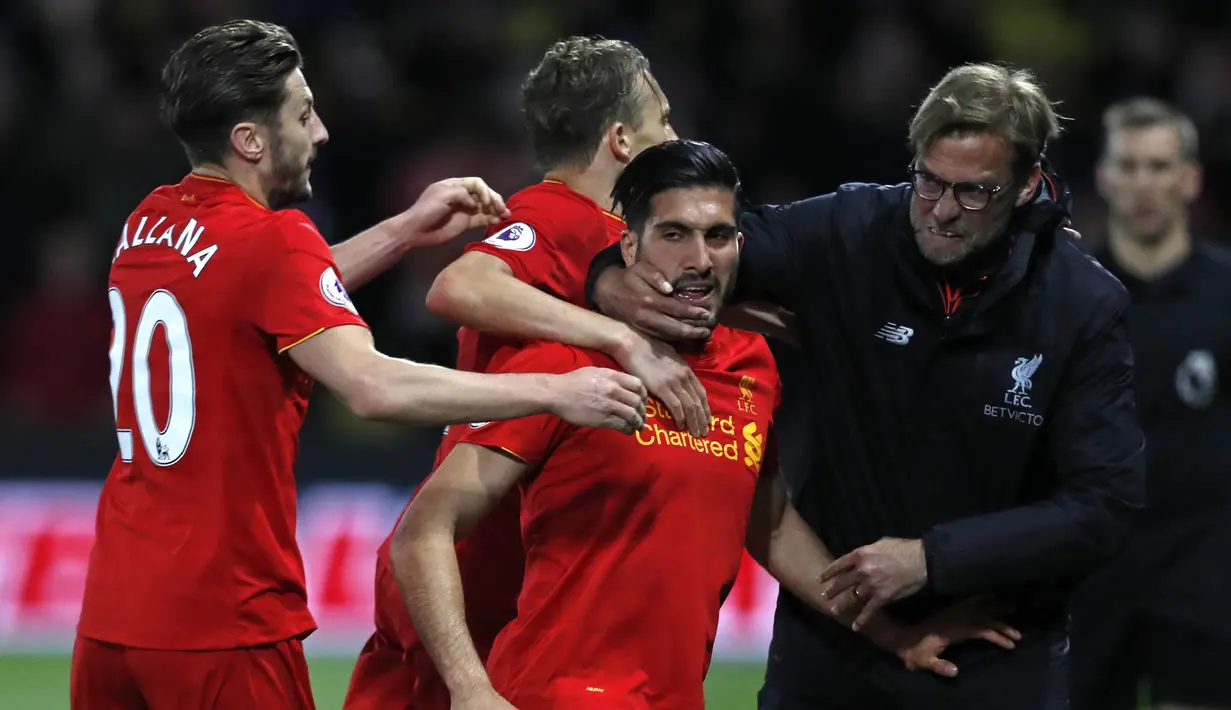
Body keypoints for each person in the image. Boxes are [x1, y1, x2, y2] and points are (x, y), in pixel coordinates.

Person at [71, 20, 647, 710]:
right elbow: (371, 385)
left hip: (111, 617)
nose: (320, 133)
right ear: (249, 141)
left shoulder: (150, 223)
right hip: (222, 618)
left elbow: (261, 299)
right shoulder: (276, 239)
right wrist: (553, 390)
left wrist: (404, 229)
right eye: (303, 113)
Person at [586, 64, 1147, 709]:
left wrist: (931, 559)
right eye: (929, 181)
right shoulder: (850, 229)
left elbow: (1105, 507)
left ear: (1025, 187)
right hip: (834, 642)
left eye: (973, 193)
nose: (940, 211)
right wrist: (609, 281)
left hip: (995, 650)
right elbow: (695, 253)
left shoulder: (1082, 304)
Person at [391, 140, 1024, 710]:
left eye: (718, 236)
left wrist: (893, 633)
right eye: (674, 234)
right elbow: (423, 532)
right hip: (555, 693)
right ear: (630, 245)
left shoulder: (751, 365)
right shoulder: (566, 363)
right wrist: (472, 690)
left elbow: (767, 520)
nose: (699, 259)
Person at [341, 36, 696, 710]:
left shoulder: (617, 237)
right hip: (465, 565)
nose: (676, 139)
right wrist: (619, 337)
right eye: (664, 122)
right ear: (620, 139)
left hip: (517, 565)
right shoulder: (557, 213)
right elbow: (458, 286)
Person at [1069, 98, 1231, 710]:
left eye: (1160, 166)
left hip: (1203, 564)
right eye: (1129, 166)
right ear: (1105, 177)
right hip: (1091, 567)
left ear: (1190, 179)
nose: (1144, 184)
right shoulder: (1070, 297)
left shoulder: (1227, 294)